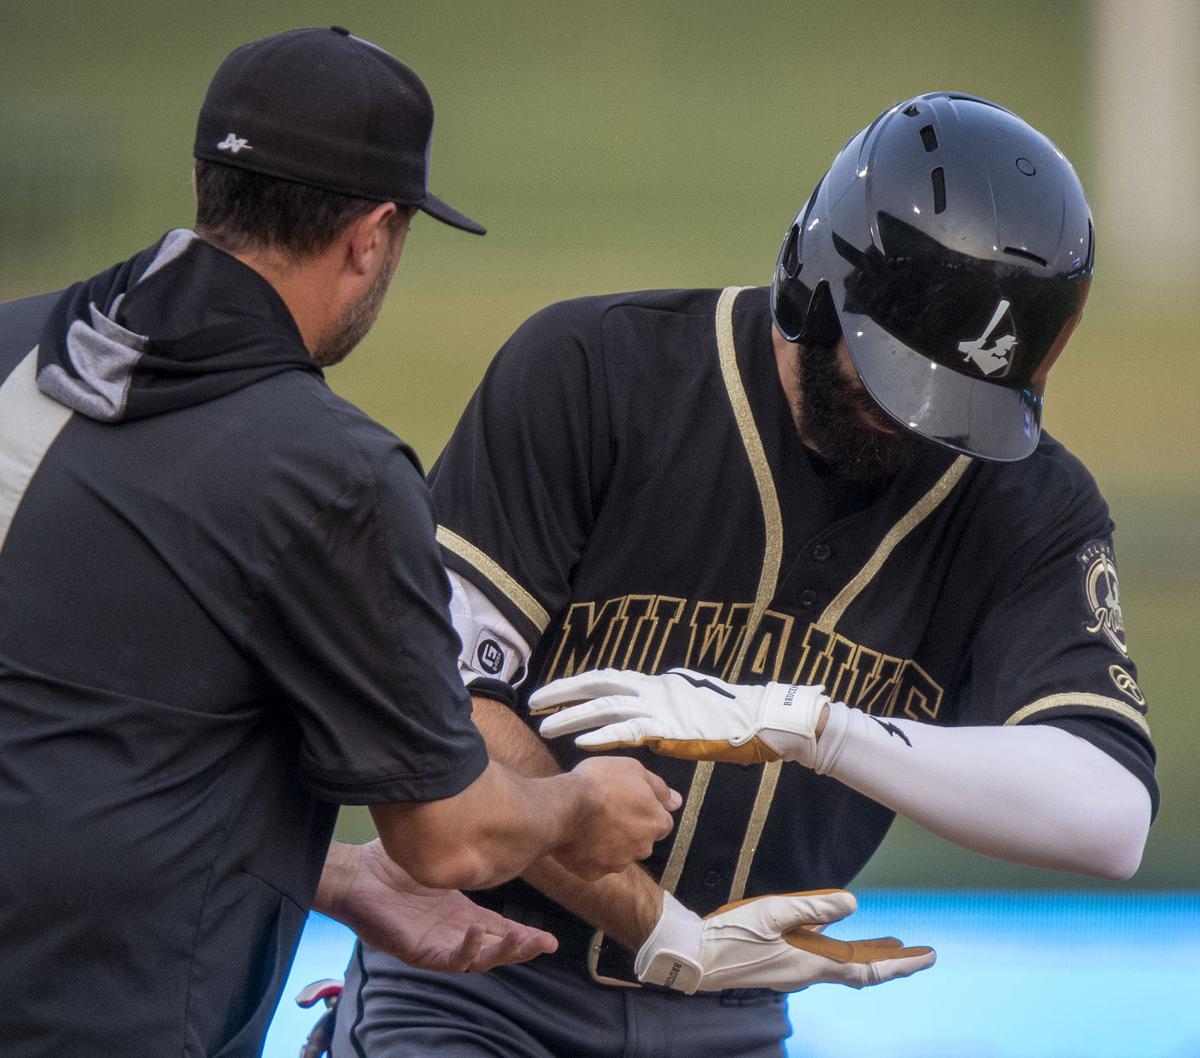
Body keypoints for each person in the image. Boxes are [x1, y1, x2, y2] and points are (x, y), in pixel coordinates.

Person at [331, 92, 1157, 1058]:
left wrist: (820, 730)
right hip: (479, 979)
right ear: (814, 282)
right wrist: (665, 929)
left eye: (965, 406)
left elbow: (1109, 815)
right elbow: (448, 717)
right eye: (897, 381)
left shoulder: (1024, 499)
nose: (926, 427)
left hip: (734, 1016)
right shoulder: (595, 374)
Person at [0, 27, 683, 1058]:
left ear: (203, 178)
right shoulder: (334, 473)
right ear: (371, 235)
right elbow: (446, 831)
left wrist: (335, 873)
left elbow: (67, 737)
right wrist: (576, 802)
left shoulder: (13, 345)